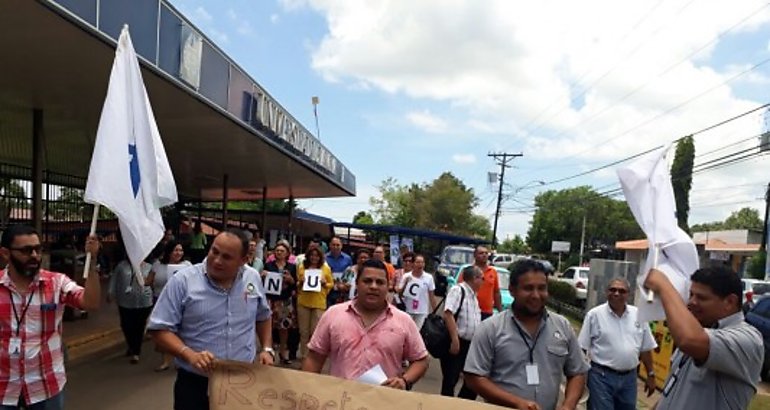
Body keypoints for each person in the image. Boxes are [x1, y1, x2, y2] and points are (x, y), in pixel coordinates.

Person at [148, 229, 274, 410]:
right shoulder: (183, 282)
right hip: (195, 384)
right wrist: (189, 354)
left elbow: (263, 316)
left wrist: (267, 349)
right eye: (214, 251)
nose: (217, 260)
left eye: (227, 257)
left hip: (242, 382)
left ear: (244, 260)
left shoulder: (252, 278)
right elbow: (159, 329)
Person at [464, 259, 589, 410]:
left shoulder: (562, 326)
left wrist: (568, 405)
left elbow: (578, 372)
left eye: (542, 288)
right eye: (528, 288)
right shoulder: (490, 328)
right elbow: (473, 377)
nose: (536, 295)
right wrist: (516, 402)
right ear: (512, 290)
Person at [0, 224, 101, 409]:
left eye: (38, 249)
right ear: (6, 253)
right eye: (26, 250)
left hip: (45, 387)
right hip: (4, 388)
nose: (34, 256)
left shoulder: (56, 283)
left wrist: (93, 261)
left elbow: (90, 302)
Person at [644, 266, 763, 410]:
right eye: (691, 295)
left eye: (701, 298)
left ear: (730, 302)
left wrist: (664, 286)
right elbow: (674, 389)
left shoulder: (747, 339)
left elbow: (688, 340)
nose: (691, 302)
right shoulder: (699, 329)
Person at [303, 259, 429, 390]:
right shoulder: (333, 315)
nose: (373, 286)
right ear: (356, 283)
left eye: (380, 282)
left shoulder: (404, 321)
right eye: (367, 281)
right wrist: (305, 393)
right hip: (339, 400)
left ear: (388, 286)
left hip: (383, 401)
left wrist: (404, 381)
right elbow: (314, 359)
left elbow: (421, 360)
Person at [578, 278, 657, 410]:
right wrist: (579, 380)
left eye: (622, 291)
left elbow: (645, 348)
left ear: (629, 294)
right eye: (612, 290)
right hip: (600, 378)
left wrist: (651, 374)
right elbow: (582, 349)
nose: (616, 293)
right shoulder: (594, 315)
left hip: (629, 380)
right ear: (606, 292)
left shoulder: (638, 315)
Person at [145, 240, 192, 371]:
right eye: (176, 250)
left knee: (181, 332)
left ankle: (181, 358)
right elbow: (148, 281)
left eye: (181, 250)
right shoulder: (157, 265)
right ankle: (165, 361)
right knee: (163, 331)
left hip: (181, 303)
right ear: (169, 251)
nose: (178, 253)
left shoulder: (187, 265)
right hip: (160, 302)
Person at [441, 265, 483, 399]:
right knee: (450, 380)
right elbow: (448, 313)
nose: (483, 282)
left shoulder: (473, 296)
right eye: (482, 278)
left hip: (470, 345)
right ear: (475, 278)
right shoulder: (458, 290)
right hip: (458, 342)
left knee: (472, 381)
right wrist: (455, 340)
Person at [107, 250, 154, 364]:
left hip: (143, 302)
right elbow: (114, 280)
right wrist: (110, 292)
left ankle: (136, 352)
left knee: (139, 326)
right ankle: (131, 345)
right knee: (126, 325)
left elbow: (152, 283)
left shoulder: (149, 267)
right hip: (125, 301)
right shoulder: (121, 266)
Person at [262, 242, 297, 365]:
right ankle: (269, 351)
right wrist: (263, 275)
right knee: (269, 326)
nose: (279, 253)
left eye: (282, 251)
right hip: (272, 300)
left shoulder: (292, 267)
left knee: (284, 327)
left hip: (285, 300)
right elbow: (263, 282)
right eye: (277, 250)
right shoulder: (268, 265)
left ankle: (283, 351)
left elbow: (295, 284)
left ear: (287, 253)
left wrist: (290, 279)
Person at [296, 246, 333, 358]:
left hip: (318, 303)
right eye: (312, 255)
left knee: (315, 332)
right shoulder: (302, 267)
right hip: (303, 302)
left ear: (320, 257)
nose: (314, 257)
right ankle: (304, 356)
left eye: (316, 255)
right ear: (308, 256)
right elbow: (297, 285)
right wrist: (300, 282)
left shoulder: (325, 269)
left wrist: (324, 283)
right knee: (304, 332)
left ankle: (313, 357)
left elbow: (331, 284)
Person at [460, 245, 501, 320]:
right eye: (481, 253)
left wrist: (500, 311)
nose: (484, 255)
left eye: (486, 253)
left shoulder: (493, 272)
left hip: (487, 313)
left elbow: (496, 293)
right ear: (475, 255)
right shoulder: (467, 271)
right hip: (469, 311)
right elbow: (460, 289)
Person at [397, 254, 438, 329]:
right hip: (407, 310)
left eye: (422, 262)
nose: (420, 265)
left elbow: (432, 296)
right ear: (413, 264)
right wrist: (406, 283)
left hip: (422, 311)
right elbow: (400, 294)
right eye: (418, 262)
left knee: (417, 333)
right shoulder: (406, 276)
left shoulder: (429, 277)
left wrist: (435, 312)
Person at [325, 237, 352, 306]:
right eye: (333, 245)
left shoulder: (347, 259)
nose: (335, 247)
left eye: (337, 245)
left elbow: (350, 274)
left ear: (341, 246)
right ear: (330, 245)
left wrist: (345, 285)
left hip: (342, 291)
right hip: (328, 290)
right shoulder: (324, 258)